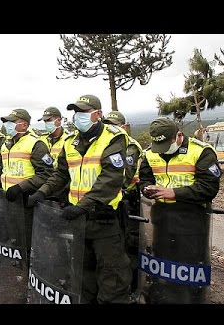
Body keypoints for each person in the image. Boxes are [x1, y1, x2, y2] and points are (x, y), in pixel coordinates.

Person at [28, 94, 132, 304]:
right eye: (76, 112)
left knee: (112, 278)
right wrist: (42, 191)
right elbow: (60, 174)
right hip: (79, 220)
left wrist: (83, 206)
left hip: (104, 219)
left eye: (83, 112)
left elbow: (110, 180)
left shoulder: (113, 138)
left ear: (98, 115)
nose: (78, 117)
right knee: (83, 275)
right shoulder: (70, 142)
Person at [138, 117, 220, 303]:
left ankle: (191, 298)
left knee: (188, 267)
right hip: (161, 218)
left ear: (179, 136)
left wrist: (173, 193)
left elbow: (209, 188)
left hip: (191, 219)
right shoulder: (150, 154)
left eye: (167, 145)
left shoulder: (201, 152)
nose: (163, 151)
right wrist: (147, 188)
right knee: (162, 263)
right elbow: (144, 178)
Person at [0, 108, 54, 257]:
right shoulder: (6, 144)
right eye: (7, 122)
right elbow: (4, 168)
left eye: (12, 122)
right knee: (14, 234)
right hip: (9, 197)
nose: (7, 125)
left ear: (24, 125)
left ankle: (29, 270)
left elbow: (46, 173)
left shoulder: (36, 144)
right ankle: (20, 264)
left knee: (27, 237)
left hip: (26, 198)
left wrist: (21, 187)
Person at [102, 110, 143, 296]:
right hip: (111, 202)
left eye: (114, 124)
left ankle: (132, 288)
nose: (110, 127)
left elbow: (124, 176)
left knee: (129, 245)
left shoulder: (130, 146)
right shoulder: (106, 143)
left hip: (127, 201)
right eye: (107, 123)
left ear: (124, 127)